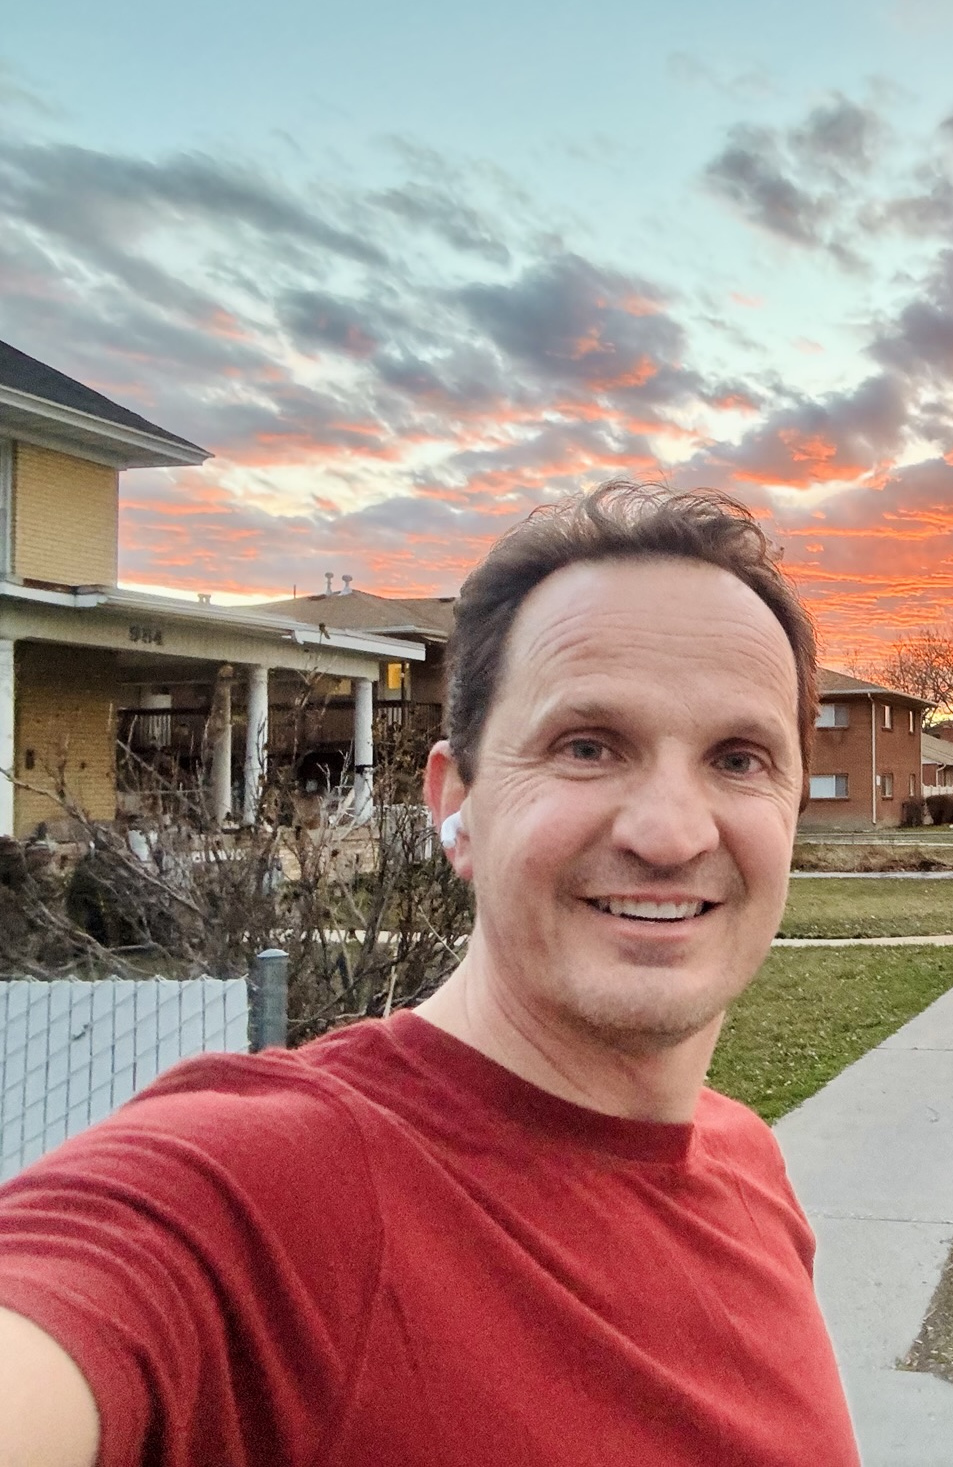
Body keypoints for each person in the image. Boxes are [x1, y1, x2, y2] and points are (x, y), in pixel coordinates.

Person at [0, 484, 860, 1467]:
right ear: (457, 805)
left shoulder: (746, 1167)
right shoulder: (264, 1192)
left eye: (739, 759)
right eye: (586, 747)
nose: (668, 832)